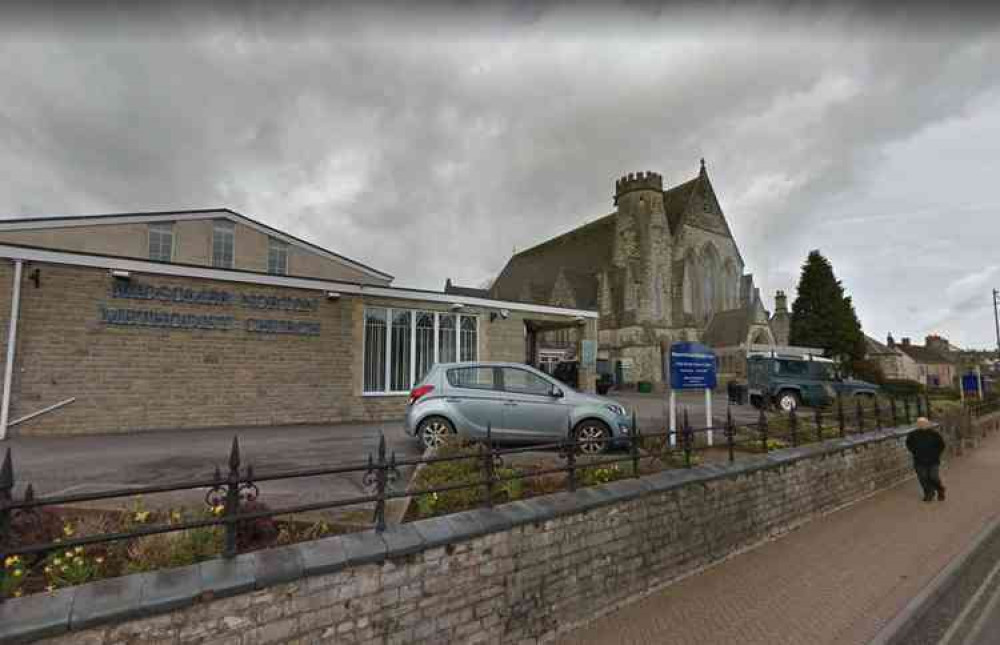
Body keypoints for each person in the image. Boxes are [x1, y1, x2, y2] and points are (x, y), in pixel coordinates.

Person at [905, 417, 947, 502]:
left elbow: (942, 445)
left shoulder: (934, 434)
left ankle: (940, 489)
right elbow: (908, 444)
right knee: (923, 478)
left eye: (924, 423)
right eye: (920, 423)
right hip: (919, 460)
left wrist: (936, 454)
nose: (922, 425)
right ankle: (929, 494)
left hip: (933, 460)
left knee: (933, 477)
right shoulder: (912, 435)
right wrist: (915, 452)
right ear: (917, 425)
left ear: (928, 424)